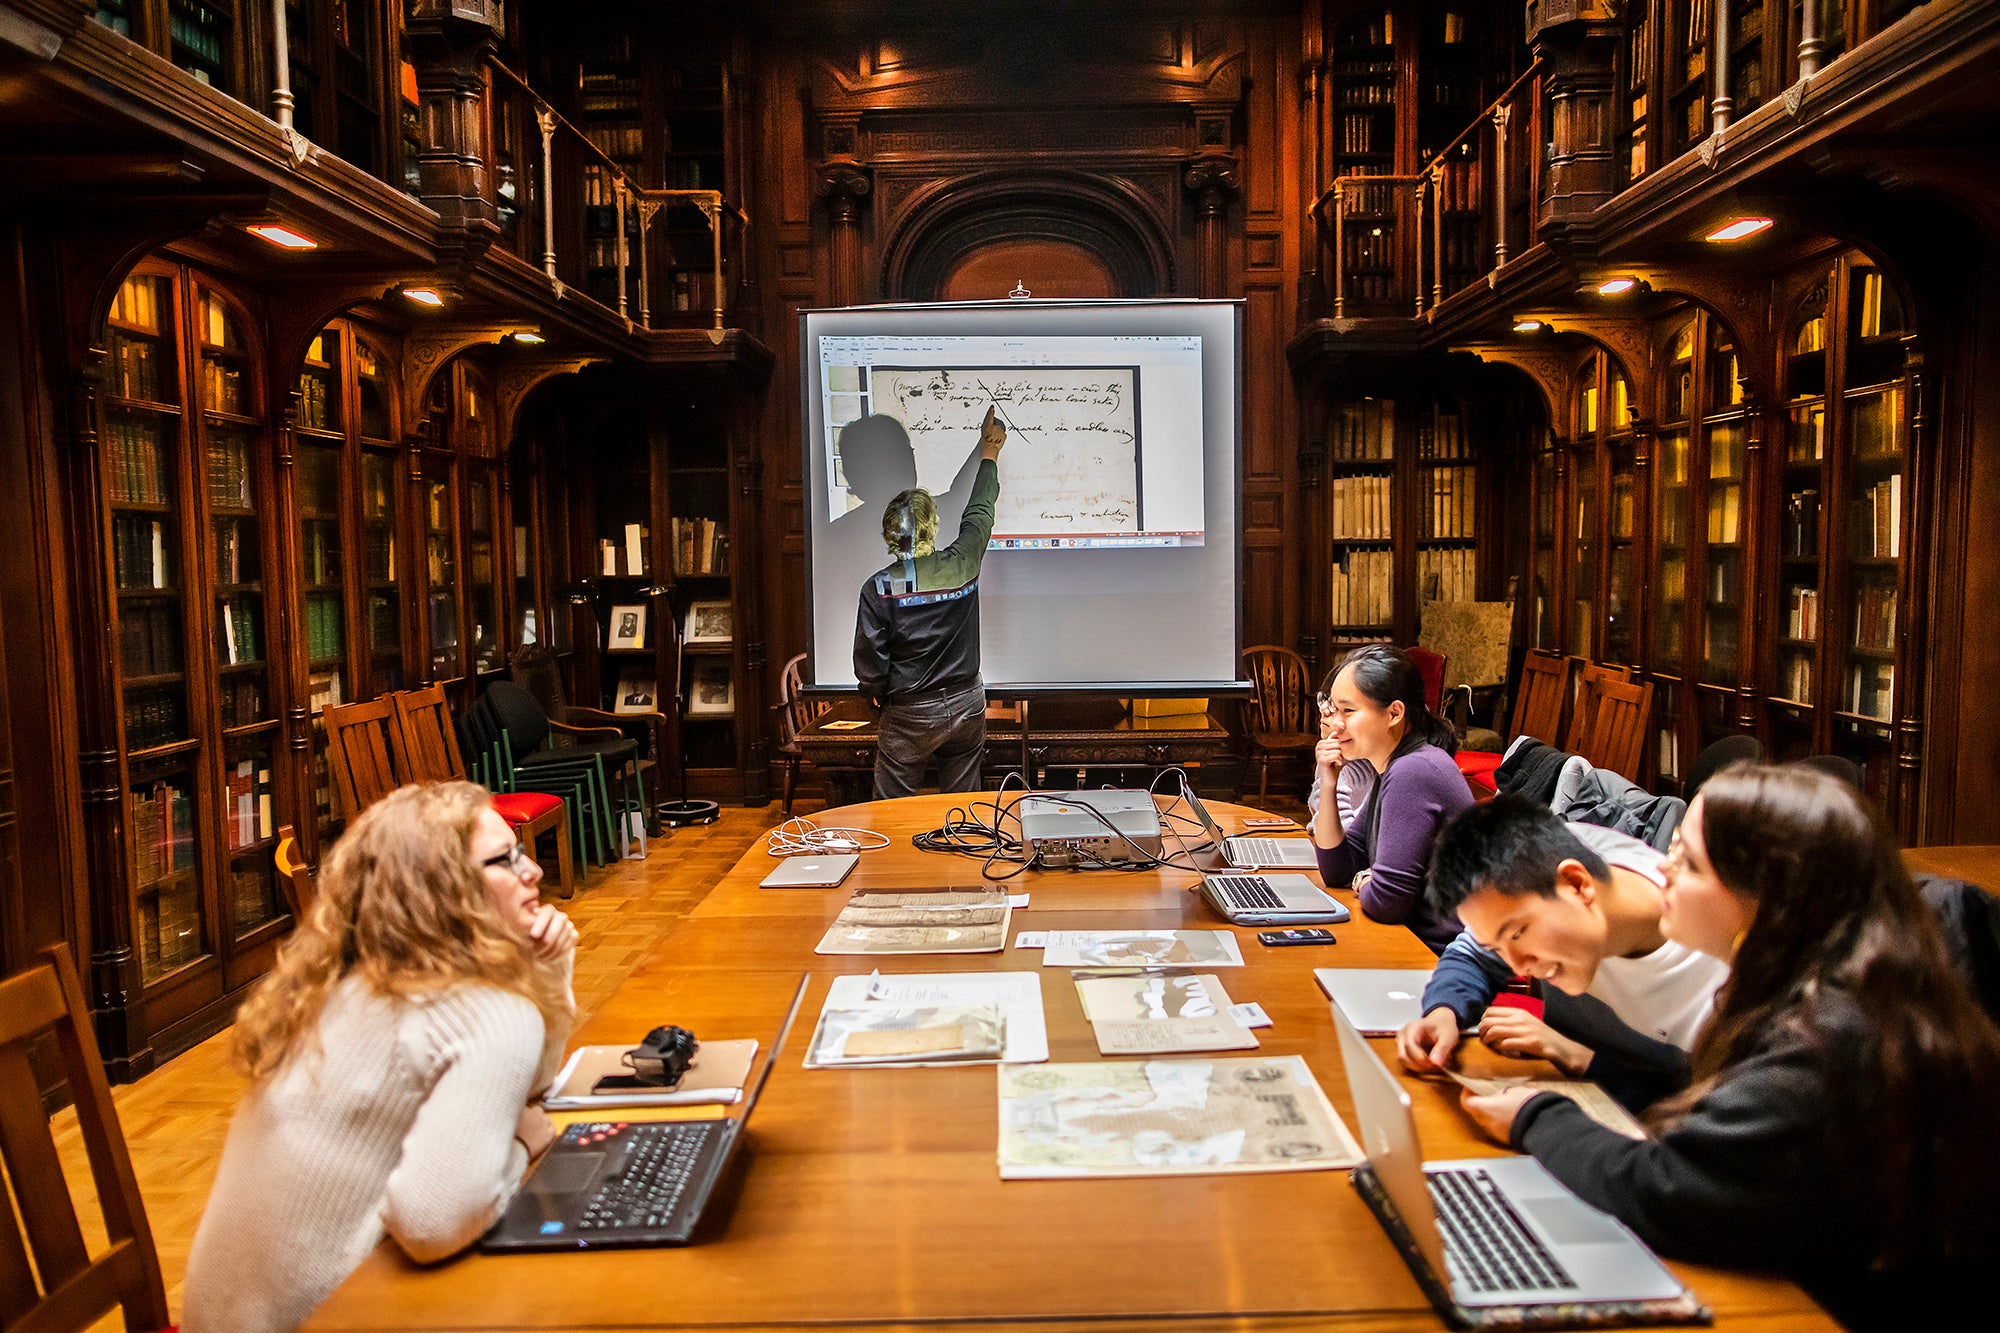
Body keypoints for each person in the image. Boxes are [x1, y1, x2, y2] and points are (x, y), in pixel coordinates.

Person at [1459, 764, 2000, 1331]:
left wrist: (1536, 1116)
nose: (1663, 870)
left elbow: (1665, 1188)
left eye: (1689, 862)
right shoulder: (1829, 982)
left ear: (1767, 891)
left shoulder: (1828, 1032)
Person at [183, 782, 577, 1333]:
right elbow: (433, 1222)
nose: (532, 869)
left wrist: (550, 966)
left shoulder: (334, 983)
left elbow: (525, 1085)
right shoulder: (488, 1011)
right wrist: (519, 1145)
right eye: (504, 860)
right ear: (445, 893)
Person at [1401, 795, 1728, 1109]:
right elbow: (1471, 956)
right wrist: (1444, 1012)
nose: (1519, 966)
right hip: (1571, 1105)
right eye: (1497, 946)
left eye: (1518, 933)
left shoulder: (1719, 957)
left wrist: (1578, 1056)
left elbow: (1718, 1107)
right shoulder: (1555, 858)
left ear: (1577, 885)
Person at [853, 404, 1005, 799]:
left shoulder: (879, 588)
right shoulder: (963, 563)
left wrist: (876, 695)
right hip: (968, 704)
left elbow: (871, 665)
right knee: (962, 809)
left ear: (889, 534)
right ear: (933, 527)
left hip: (908, 715)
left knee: (892, 812)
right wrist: (989, 453)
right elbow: (979, 512)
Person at [1309, 644, 1470, 952]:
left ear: (1394, 713)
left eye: (1348, 711)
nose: (1335, 724)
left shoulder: (1414, 771)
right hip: (1412, 943)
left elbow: (1387, 902)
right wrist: (1329, 784)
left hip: (1436, 957)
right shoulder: (1395, 766)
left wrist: (1365, 881)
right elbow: (1337, 869)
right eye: (1333, 710)